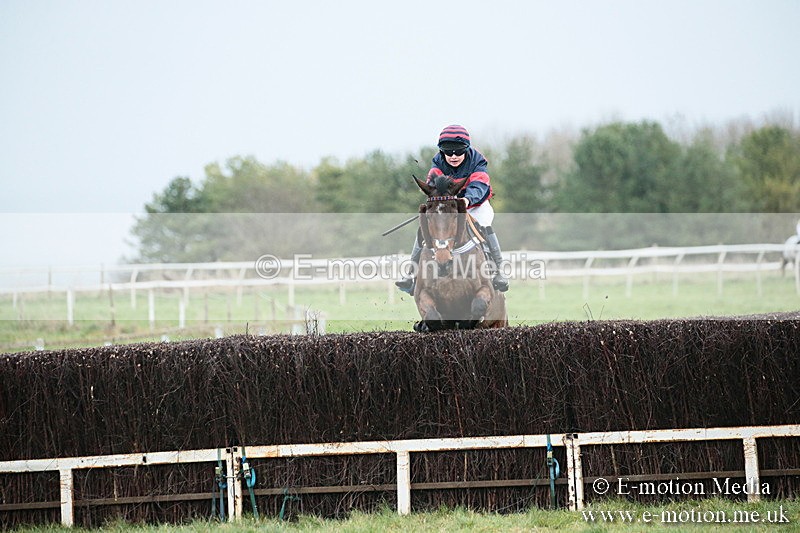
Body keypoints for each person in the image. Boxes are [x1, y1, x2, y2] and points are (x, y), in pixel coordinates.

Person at [396, 124, 509, 294]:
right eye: (448, 152)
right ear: (442, 151)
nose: (453, 156)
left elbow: (479, 185)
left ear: (466, 148)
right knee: (425, 228)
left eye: (458, 151)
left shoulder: (477, 160)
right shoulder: (438, 162)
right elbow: (433, 186)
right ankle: (411, 274)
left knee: (484, 225)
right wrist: (438, 202)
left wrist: (466, 199)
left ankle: (499, 271)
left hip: (475, 205)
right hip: (449, 207)